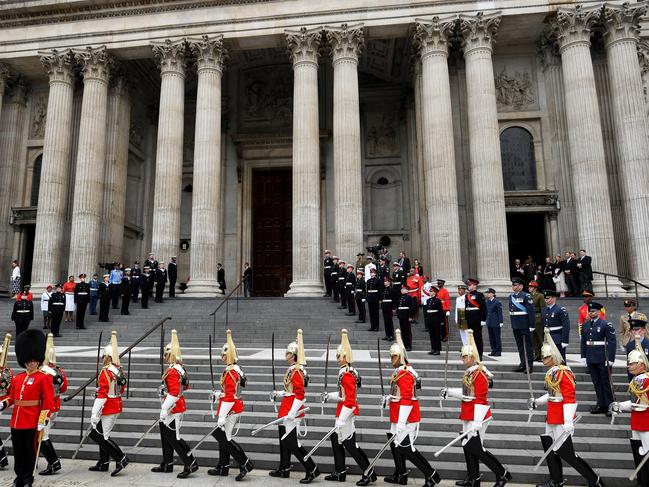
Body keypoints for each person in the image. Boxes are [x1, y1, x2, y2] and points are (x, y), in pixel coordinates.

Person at [528, 329, 603, 487]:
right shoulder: (553, 372)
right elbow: (552, 394)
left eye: (546, 356)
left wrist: (568, 420)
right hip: (552, 415)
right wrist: (537, 402)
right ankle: (556, 480)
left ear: (554, 356)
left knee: (566, 453)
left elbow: (570, 398)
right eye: (543, 356)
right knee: (550, 448)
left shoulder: (564, 372)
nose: (543, 359)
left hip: (562, 416)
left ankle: (593, 479)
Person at [440, 330, 511, 487]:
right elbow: (467, 394)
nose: (464, 359)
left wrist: (477, 420)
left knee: (477, 448)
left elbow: (480, 398)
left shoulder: (479, 373)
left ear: (473, 357)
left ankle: (502, 473)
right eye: (463, 356)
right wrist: (450, 392)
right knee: (468, 447)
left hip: (478, 415)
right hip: (468, 412)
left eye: (466, 356)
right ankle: (473, 478)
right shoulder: (470, 372)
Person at [382, 330, 441, 487]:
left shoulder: (406, 373)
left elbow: (407, 399)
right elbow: (399, 395)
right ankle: (400, 475)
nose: (391, 359)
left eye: (394, 356)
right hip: (398, 415)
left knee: (407, 449)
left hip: (406, 418)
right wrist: (389, 399)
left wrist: (401, 422)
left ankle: (431, 475)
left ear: (400, 356)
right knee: (397, 446)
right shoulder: (399, 372)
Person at [0, 329, 54, 487]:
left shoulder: (43, 378)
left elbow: (48, 401)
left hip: (32, 421)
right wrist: (3, 403)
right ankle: (19, 477)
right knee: (19, 452)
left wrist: (43, 419)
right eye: (30, 361)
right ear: (24, 361)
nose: (33, 363)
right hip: (16, 421)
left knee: (30, 453)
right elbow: (12, 396)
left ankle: (28, 479)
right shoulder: (18, 378)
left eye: (35, 360)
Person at [320, 329, 375, 486]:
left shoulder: (348, 373)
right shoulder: (344, 372)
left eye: (340, 356)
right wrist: (331, 396)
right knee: (337, 440)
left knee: (350, 444)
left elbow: (350, 399)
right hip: (343, 409)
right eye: (337, 356)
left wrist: (342, 419)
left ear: (346, 357)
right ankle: (340, 471)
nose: (338, 359)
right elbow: (343, 395)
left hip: (347, 411)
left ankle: (368, 472)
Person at [269, 329, 319, 483]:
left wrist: (292, 412)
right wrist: (279, 393)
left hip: (292, 410)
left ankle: (311, 469)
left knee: (292, 443)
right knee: (285, 440)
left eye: (288, 353)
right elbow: (290, 391)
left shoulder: (297, 371)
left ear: (294, 355)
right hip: (287, 406)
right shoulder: (292, 369)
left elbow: (300, 395)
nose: (286, 355)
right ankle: (284, 468)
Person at [208, 329, 253, 480]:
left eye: (223, 355)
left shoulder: (231, 372)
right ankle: (223, 466)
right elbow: (228, 392)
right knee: (223, 438)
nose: (221, 357)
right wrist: (218, 395)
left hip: (230, 408)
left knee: (226, 438)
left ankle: (244, 464)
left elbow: (230, 396)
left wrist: (221, 415)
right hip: (232, 406)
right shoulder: (235, 369)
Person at [152, 330, 198, 478]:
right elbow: (183, 388)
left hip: (173, 407)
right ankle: (167, 463)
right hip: (175, 404)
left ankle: (190, 463)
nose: (165, 357)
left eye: (166, 354)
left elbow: (174, 393)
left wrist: (164, 408)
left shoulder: (173, 370)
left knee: (174, 437)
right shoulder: (180, 368)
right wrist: (164, 393)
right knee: (167, 435)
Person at [609, 335, 649, 486]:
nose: (629, 366)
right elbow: (635, 402)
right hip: (636, 422)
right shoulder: (635, 380)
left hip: (646, 422)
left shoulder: (647, 379)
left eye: (632, 364)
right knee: (639, 454)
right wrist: (619, 406)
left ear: (641, 364)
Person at [88, 331, 129, 476]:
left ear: (109, 357)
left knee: (103, 436)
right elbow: (122, 388)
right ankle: (103, 462)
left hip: (108, 406)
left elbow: (103, 394)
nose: (103, 359)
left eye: (104, 356)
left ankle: (121, 459)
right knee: (98, 433)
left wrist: (94, 412)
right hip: (115, 403)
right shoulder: (119, 370)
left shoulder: (106, 372)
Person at [39, 334, 68, 476]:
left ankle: (53, 463)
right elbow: (63, 389)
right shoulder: (60, 371)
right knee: (43, 434)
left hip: (45, 407)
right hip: (55, 405)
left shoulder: (42, 372)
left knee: (43, 435)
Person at [580, 302, 616, 415]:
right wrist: (583, 356)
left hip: (602, 358)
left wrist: (610, 359)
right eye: (590, 311)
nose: (591, 313)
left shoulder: (605, 324)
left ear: (599, 312)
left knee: (605, 383)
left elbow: (612, 342)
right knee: (597, 383)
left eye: (594, 311)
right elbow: (583, 342)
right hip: (591, 358)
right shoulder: (585, 325)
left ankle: (610, 406)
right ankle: (601, 404)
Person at [509, 277, 535, 373]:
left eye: (515, 285)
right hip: (515, 325)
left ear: (521, 286)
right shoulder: (511, 296)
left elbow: (531, 311)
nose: (513, 287)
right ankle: (522, 364)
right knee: (520, 346)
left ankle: (529, 365)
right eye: (513, 285)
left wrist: (531, 325)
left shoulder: (526, 296)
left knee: (527, 346)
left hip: (524, 324)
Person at [542, 290, 570, 361]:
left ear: (554, 298)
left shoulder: (560, 310)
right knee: (550, 360)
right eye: (545, 298)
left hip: (557, 338)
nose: (546, 300)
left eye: (548, 298)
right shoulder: (544, 310)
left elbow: (566, 326)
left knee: (560, 360)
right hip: (547, 338)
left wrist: (565, 340)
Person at [465, 279, 487, 361]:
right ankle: (472, 354)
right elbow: (466, 308)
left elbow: (484, 308)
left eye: (470, 285)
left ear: (475, 285)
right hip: (469, 320)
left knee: (478, 338)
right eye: (468, 284)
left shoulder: (479, 295)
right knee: (470, 338)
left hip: (477, 320)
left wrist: (483, 319)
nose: (469, 286)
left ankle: (479, 354)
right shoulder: (467, 296)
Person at [0, 334, 13, 470]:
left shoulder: (7, 373)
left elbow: (11, 393)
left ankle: (2, 458)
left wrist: (3, 403)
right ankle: (2, 458)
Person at [424, 285, 444, 356]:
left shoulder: (438, 301)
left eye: (431, 291)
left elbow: (441, 311)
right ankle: (433, 349)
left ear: (435, 293)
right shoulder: (428, 300)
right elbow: (427, 311)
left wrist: (441, 321)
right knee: (431, 335)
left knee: (436, 335)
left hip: (436, 319)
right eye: (430, 291)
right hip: (430, 319)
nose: (430, 292)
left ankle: (437, 350)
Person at [396, 285, 417, 352]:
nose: (402, 290)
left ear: (407, 290)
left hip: (406, 316)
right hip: (401, 316)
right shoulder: (400, 298)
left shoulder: (409, 297)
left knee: (407, 331)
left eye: (404, 289)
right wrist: (398, 314)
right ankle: (404, 345)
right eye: (402, 289)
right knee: (403, 331)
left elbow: (412, 308)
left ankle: (408, 346)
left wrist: (410, 316)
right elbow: (398, 307)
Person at [529, 281, 545, 361]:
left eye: (531, 287)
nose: (529, 288)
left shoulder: (540, 296)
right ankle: (537, 354)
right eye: (529, 287)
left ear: (535, 288)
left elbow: (543, 308)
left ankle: (543, 355)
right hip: (531, 319)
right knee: (534, 338)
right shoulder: (529, 296)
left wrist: (543, 318)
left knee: (540, 338)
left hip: (538, 318)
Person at [485, 288, 503, 357]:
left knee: (497, 337)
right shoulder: (487, 302)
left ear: (493, 294)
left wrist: (501, 321)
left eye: (489, 293)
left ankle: (498, 351)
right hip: (489, 322)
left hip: (496, 322)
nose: (487, 294)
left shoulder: (497, 302)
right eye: (487, 293)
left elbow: (499, 312)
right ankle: (493, 350)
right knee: (491, 338)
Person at [380, 276, 396, 341]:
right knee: (386, 322)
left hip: (389, 306)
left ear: (389, 282)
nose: (384, 282)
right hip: (384, 306)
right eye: (384, 281)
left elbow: (394, 299)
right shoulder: (384, 289)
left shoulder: (391, 289)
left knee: (389, 322)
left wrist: (393, 308)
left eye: (386, 281)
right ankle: (387, 335)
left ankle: (391, 335)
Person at [366, 268, 381, 332]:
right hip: (370, 297)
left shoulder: (378, 280)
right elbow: (367, 290)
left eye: (373, 273)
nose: (372, 274)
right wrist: (367, 297)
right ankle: (372, 326)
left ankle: (376, 327)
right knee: (371, 313)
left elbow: (380, 290)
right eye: (371, 273)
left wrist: (379, 298)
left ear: (375, 273)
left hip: (375, 298)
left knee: (376, 313)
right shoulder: (368, 281)